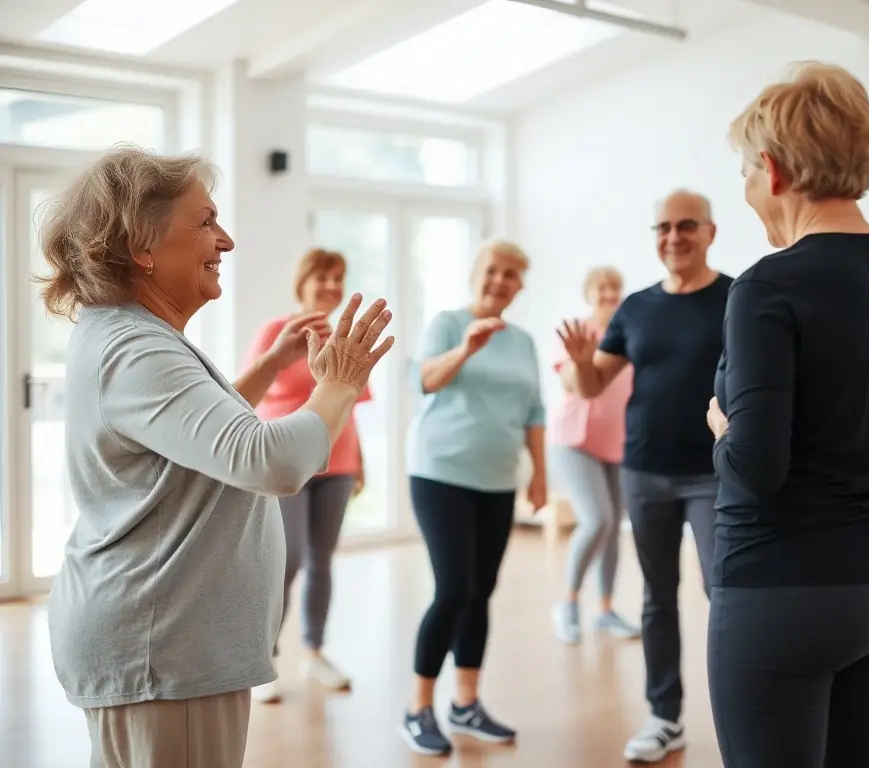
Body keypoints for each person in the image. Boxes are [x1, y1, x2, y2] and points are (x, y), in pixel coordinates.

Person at [39, 145, 394, 768]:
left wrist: (271, 367)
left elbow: (198, 439)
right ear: (141, 246)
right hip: (163, 651)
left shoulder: (131, 335)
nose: (224, 240)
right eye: (203, 222)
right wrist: (338, 384)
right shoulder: (135, 347)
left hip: (167, 647)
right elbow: (270, 461)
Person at [705, 62, 869, 768]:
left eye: (746, 172)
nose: (747, 190)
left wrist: (721, 428)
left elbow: (755, 468)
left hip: (788, 593)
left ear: (774, 172)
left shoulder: (767, 285)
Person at [557, 190, 731, 764]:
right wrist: (583, 361)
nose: (673, 237)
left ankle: (742, 714)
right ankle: (665, 717)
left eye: (686, 226)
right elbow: (590, 386)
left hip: (712, 473)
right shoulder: (635, 307)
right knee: (657, 598)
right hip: (645, 472)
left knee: (721, 590)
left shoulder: (736, 299)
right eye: (663, 227)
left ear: (709, 232)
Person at [400, 239, 547, 757]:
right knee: (454, 588)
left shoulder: (524, 341)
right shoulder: (447, 323)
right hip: (440, 472)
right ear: (474, 274)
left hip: (498, 478)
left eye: (510, 274)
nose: (499, 281)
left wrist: (539, 475)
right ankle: (418, 708)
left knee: (480, 590)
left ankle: (466, 702)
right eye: (492, 271)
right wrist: (467, 347)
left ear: (519, 285)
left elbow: (534, 411)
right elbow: (422, 380)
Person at [244, 248, 372, 703]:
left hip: (339, 462)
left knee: (322, 559)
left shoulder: (344, 337)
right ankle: (264, 658)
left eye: (339, 279)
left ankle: (315, 652)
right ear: (302, 282)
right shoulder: (276, 332)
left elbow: (351, 402)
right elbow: (249, 392)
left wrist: (362, 463)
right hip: (287, 462)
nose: (332, 287)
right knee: (289, 558)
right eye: (323, 277)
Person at [549, 266, 639, 644]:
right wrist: (582, 362)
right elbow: (571, 379)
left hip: (617, 444)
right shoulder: (578, 332)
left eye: (615, 286)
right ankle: (568, 602)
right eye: (601, 287)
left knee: (613, 529)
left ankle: (604, 610)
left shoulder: (630, 334)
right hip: (574, 441)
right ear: (588, 294)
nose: (609, 293)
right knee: (597, 519)